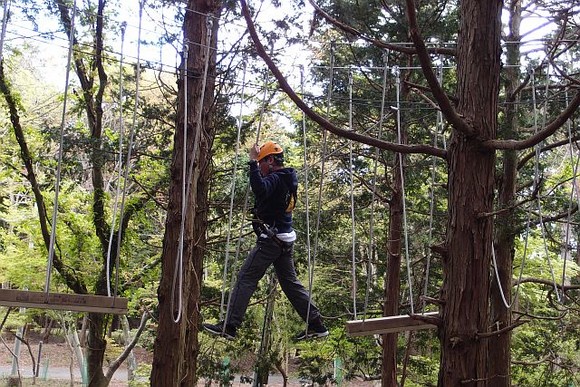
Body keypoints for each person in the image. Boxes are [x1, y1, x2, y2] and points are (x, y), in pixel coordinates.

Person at [203, 141, 328, 341]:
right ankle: (317, 324)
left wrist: (252, 162)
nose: (260, 168)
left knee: (246, 278)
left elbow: (260, 189)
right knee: (290, 284)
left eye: (262, 163)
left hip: (271, 240)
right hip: (284, 239)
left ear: (270, 160)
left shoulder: (277, 179)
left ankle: (230, 326)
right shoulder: (287, 177)